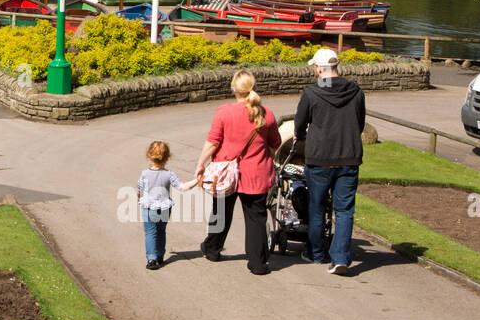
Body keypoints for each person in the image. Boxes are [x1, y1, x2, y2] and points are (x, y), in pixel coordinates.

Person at [194, 70, 282, 274]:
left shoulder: (224, 112)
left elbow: (213, 142)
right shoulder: (266, 113)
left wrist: (201, 164)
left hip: (225, 172)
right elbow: (275, 143)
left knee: (221, 213)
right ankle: (258, 263)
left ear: (234, 89)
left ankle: (213, 248)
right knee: (256, 219)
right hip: (256, 173)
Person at [294, 48, 367, 273]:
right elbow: (360, 122)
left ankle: (316, 254)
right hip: (348, 156)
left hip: (320, 158)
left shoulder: (312, 92)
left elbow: (299, 123)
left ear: (319, 68)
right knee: (344, 210)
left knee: (316, 207)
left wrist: (301, 135)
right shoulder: (355, 91)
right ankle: (341, 258)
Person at [136, 141, 197, 270]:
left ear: (149, 155)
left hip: (148, 207)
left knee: (150, 232)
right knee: (161, 231)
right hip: (164, 208)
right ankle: (160, 255)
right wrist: (197, 180)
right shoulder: (169, 174)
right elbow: (182, 187)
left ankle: (151, 259)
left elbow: (139, 190)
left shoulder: (145, 173)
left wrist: (138, 199)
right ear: (168, 157)